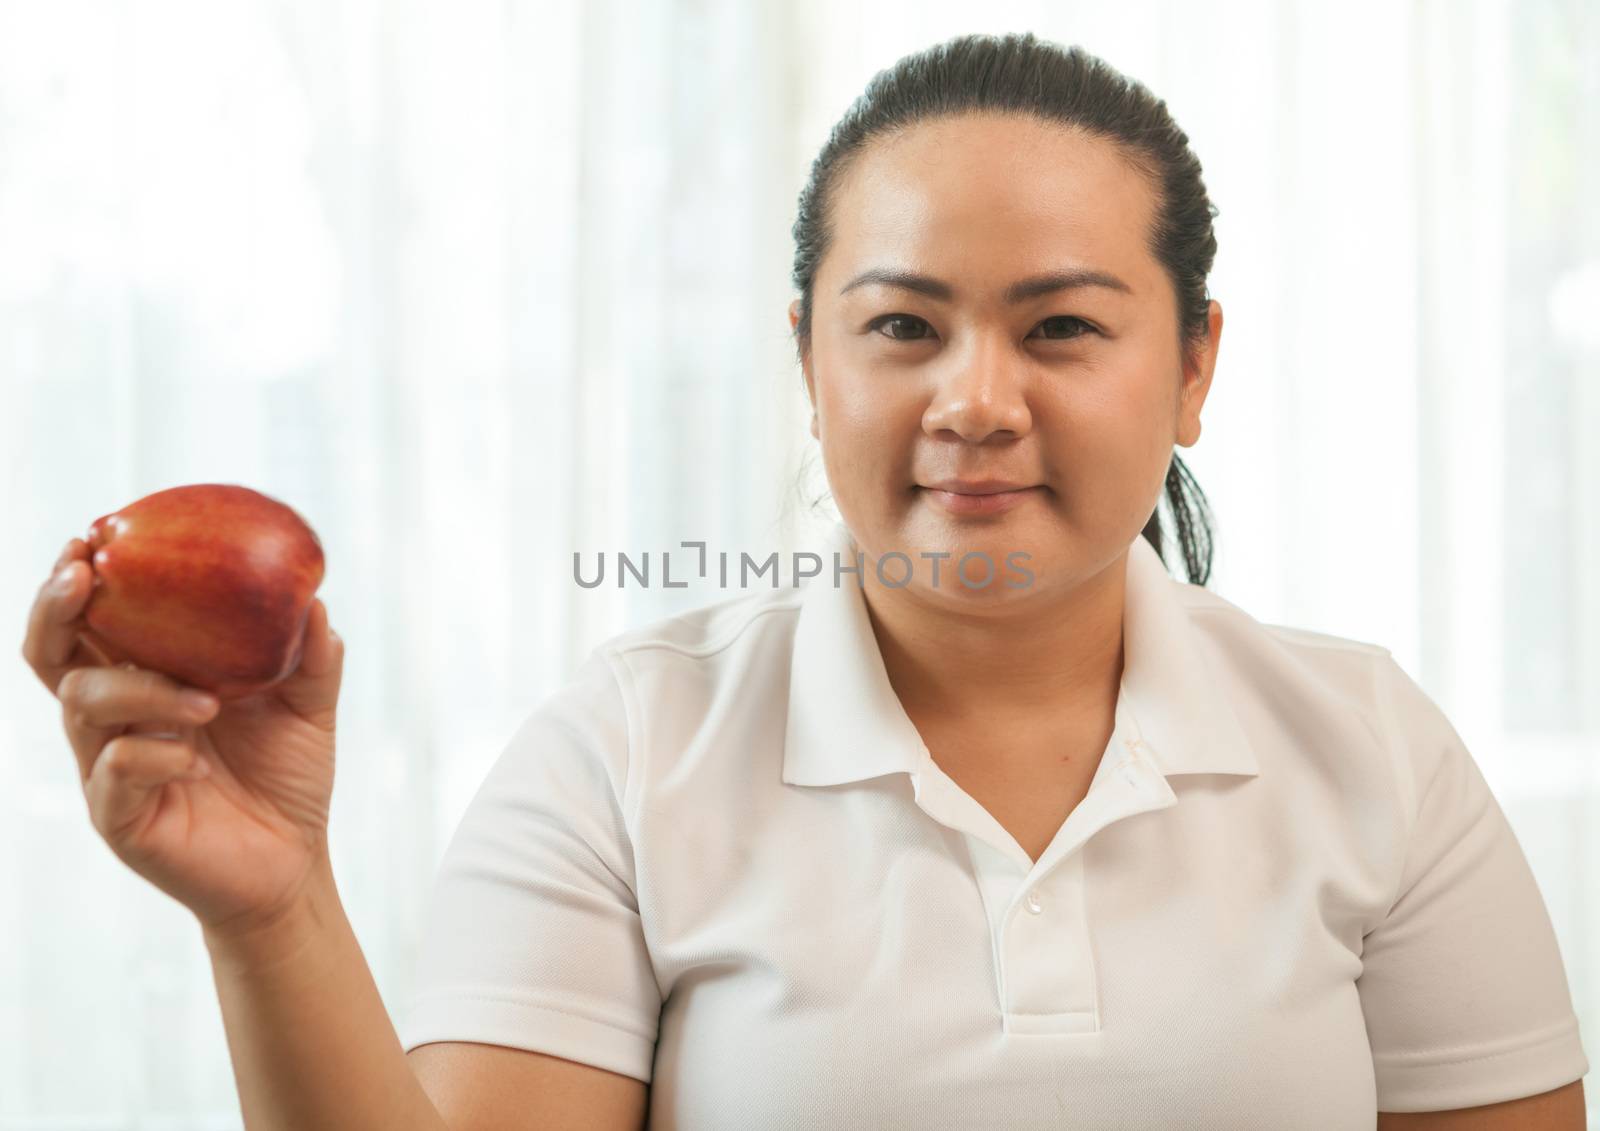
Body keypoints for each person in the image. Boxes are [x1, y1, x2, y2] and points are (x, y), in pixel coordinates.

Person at [20, 30, 1589, 1131]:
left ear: (1194, 367)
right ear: (809, 362)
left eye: (1060, 327)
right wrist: (274, 911)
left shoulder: (1371, 746)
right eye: (902, 326)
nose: (975, 399)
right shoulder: (626, 752)